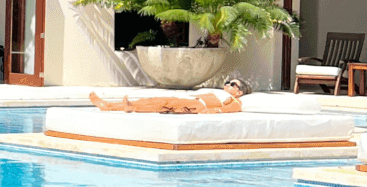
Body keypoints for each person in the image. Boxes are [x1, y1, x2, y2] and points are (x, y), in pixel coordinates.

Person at [89, 79, 252, 114]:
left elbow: (233, 108)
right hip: (191, 100)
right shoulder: (219, 92)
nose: (228, 84)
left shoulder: (235, 100)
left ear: (239, 92)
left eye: (233, 84)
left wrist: (216, 111)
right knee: (156, 100)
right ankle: (108, 106)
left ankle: (132, 107)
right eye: (227, 82)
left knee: (163, 104)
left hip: (198, 105)